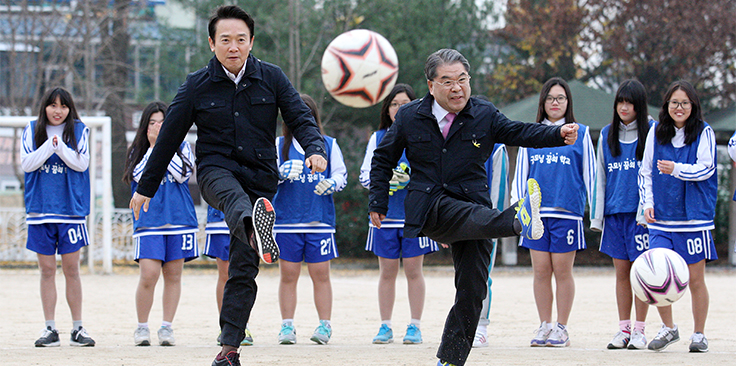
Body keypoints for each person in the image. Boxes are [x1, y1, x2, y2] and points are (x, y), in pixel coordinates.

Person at [128, 6, 327, 366]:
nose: (233, 47)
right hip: (217, 172)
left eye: (240, 39)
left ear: (251, 42)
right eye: (225, 40)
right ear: (212, 43)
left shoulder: (273, 77)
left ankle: (229, 349)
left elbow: (299, 116)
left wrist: (314, 148)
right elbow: (170, 135)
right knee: (236, 200)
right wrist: (146, 186)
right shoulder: (196, 85)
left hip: (260, 177)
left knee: (243, 271)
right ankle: (254, 226)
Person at [368, 49, 579, 366]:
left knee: (472, 291)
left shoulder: (483, 112)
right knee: (465, 213)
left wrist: (556, 133)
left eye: (463, 80)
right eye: (448, 81)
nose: (457, 88)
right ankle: (516, 219)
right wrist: (378, 200)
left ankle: (450, 360)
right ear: (431, 85)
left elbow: (517, 131)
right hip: (431, 205)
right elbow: (383, 158)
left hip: (477, 212)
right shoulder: (410, 116)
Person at [511, 77, 596, 348]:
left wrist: (595, 213)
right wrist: (518, 209)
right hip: (536, 215)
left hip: (567, 213)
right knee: (540, 271)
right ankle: (545, 325)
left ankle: (562, 327)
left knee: (562, 271)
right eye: (550, 98)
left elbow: (591, 176)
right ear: (543, 103)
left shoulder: (580, 133)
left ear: (568, 102)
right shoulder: (531, 133)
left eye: (560, 98)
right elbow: (520, 175)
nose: (555, 102)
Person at [638, 80, 716, 353]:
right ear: (666, 106)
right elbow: (645, 171)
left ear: (693, 106)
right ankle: (669, 328)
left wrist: (677, 169)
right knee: (657, 277)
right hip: (661, 218)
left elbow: (706, 169)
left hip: (694, 219)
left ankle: (699, 334)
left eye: (684, 103)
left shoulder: (704, 132)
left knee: (695, 280)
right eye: (674, 103)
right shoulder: (656, 132)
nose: (679, 107)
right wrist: (647, 202)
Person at [360, 84, 439, 345]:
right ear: (387, 108)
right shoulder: (378, 137)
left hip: (414, 216)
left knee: (414, 271)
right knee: (387, 272)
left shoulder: (424, 135)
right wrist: (383, 180)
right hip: (385, 217)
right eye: (394, 104)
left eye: (405, 103)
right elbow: (364, 175)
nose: (399, 108)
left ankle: (415, 326)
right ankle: (385, 326)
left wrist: (411, 177)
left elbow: (434, 174)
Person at [21, 87, 95, 347]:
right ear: (45, 107)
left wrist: (60, 148)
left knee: (72, 269)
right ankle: (50, 329)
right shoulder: (32, 129)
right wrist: (50, 148)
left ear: (69, 109)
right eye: (52, 105)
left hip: (71, 211)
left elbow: (81, 163)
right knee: (47, 270)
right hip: (40, 210)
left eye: (63, 106)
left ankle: (78, 328)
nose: (57, 110)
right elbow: (27, 164)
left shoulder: (79, 130)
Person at [123, 101, 199, 347]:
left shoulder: (183, 147)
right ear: (145, 127)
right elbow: (139, 176)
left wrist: (165, 146)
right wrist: (156, 148)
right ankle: (142, 327)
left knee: (174, 274)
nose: (157, 127)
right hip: (149, 220)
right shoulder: (136, 151)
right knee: (149, 274)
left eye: (163, 123)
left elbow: (182, 174)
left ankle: (166, 327)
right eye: (153, 123)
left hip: (178, 219)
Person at [273, 94, 347, 345]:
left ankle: (325, 325)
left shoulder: (328, 144)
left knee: (321, 274)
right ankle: (287, 326)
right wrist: (279, 174)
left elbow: (341, 175)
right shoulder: (279, 144)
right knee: (288, 274)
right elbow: (265, 178)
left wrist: (332, 183)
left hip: (319, 221)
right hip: (287, 221)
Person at [590, 79, 652, 350]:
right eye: (620, 102)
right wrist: (597, 217)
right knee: (621, 274)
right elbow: (599, 178)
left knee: (642, 275)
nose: (624, 107)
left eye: (629, 102)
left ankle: (640, 331)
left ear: (639, 105)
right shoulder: (606, 134)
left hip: (641, 217)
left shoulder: (652, 133)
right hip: (615, 215)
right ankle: (623, 329)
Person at [472, 142, 510, 348]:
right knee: (463, 275)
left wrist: (494, 224)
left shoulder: (496, 148)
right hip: (458, 217)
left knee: (482, 275)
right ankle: (464, 323)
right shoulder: (452, 139)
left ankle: (481, 326)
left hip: (485, 221)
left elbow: (499, 188)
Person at [203, 206, 254, 347]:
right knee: (225, 274)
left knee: (244, 273)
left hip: (246, 218)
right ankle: (225, 327)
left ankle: (244, 326)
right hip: (220, 220)